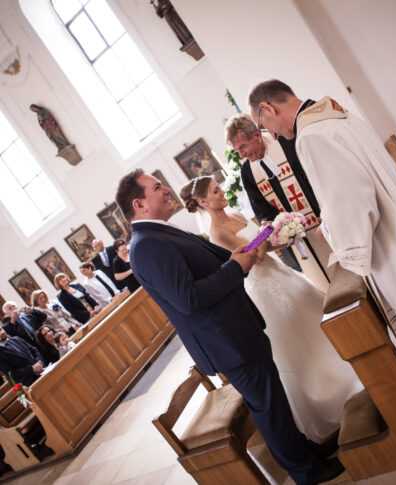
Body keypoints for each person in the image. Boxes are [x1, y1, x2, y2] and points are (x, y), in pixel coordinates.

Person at [248, 79, 396, 428]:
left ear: (268, 108)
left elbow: (352, 202)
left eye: (262, 124)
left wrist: (336, 237)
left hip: (390, 245)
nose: (269, 133)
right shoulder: (335, 115)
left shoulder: (311, 137)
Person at [115, 169, 344, 485]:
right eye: (157, 187)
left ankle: (303, 451)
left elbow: (202, 270)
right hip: (226, 339)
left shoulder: (159, 234)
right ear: (139, 205)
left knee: (274, 399)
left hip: (235, 329)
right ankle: (305, 470)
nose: (167, 189)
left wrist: (232, 259)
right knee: (268, 405)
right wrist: (234, 267)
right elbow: (189, 299)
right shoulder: (147, 245)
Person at [180, 176, 363, 441]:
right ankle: (331, 393)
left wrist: (282, 232)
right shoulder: (217, 233)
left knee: (316, 320)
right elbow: (253, 257)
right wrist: (269, 233)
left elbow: (265, 245)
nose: (221, 192)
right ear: (203, 201)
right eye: (215, 191)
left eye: (219, 188)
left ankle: (356, 359)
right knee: (296, 340)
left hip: (281, 273)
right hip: (263, 286)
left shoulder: (237, 215)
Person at [225, 113, 331, 292]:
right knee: (323, 284)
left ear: (257, 135)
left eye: (243, 146)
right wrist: (275, 225)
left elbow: (315, 179)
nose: (241, 154)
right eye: (237, 150)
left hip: (325, 223)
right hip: (297, 241)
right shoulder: (248, 172)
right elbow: (262, 210)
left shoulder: (287, 143)